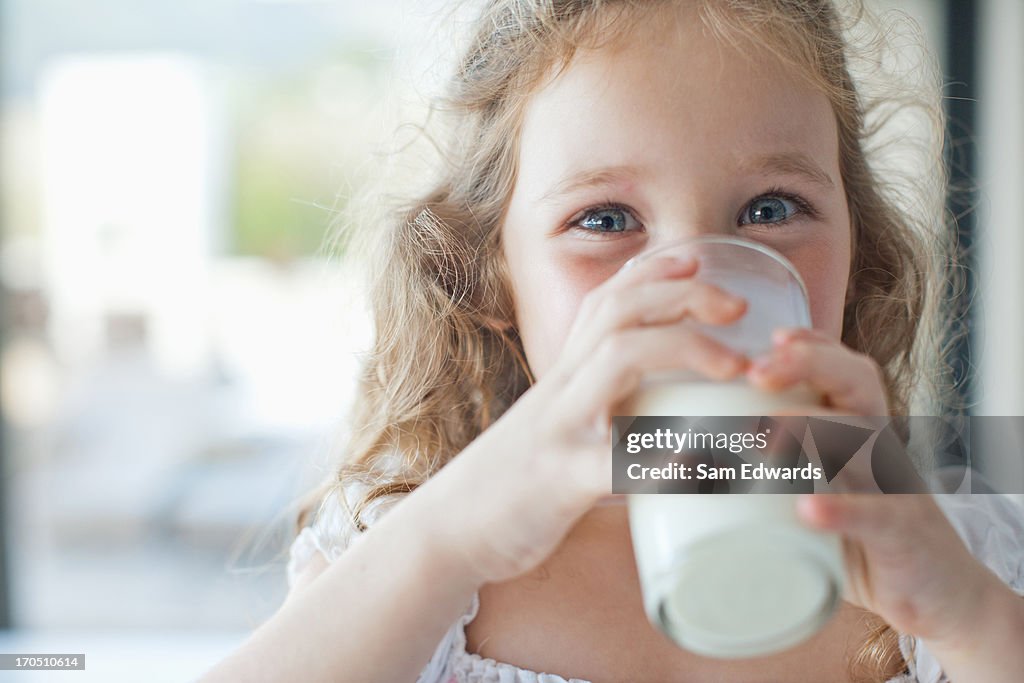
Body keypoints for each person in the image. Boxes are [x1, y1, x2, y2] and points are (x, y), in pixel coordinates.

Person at [202, 1, 1024, 681]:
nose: (697, 289)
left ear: (858, 244)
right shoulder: (407, 574)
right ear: (490, 277)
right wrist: (448, 538)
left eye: (771, 210)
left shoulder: (951, 543)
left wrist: (965, 613)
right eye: (604, 220)